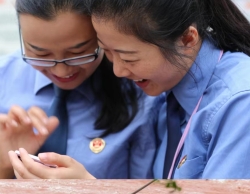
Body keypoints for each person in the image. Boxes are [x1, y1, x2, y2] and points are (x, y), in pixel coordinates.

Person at [20, 0, 250, 179]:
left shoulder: (239, 104)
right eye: (107, 52)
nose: (119, 70)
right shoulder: (167, 90)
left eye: (129, 58)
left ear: (187, 39)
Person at [0, 0, 158, 180]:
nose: (61, 70)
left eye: (79, 52)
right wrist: (3, 164)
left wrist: (89, 190)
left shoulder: (141, 89)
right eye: (39, 54)